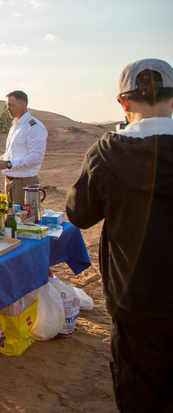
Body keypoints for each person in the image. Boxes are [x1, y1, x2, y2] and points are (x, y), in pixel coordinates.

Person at [65, 58, 173, 413]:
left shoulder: (106, 153)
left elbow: (78, 214)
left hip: (135, 301)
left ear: (123, 103)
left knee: (139, 395)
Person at [0, 91, 48, 206]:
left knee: (23, 221)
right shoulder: (15, 125)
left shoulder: (34, 126)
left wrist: (9, 164)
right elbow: (12, 154)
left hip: (25, 183)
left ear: (23, 105)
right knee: (10, 219)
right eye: (7, 105)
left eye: (11, 105)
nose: (8, 109)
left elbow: (36, 157)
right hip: (10, 182)